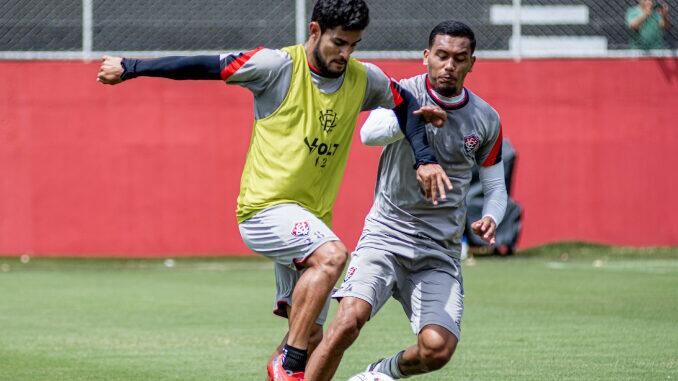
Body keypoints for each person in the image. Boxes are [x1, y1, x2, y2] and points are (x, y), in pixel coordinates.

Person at [96, 1, 451, 380]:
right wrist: (131, 68)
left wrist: (424, 158)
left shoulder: (364, 79)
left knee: (312, 333)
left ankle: (287, 360)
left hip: (308, 219)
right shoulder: (276, 66)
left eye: (354, 44)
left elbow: (405, 103)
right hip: (263, 209)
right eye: (338, 43)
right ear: (314, 31)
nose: (346, 53)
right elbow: (205, 66)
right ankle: (290, 363)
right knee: (332, 256)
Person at [304, 20, 508, 380]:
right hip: (385, 236)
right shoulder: (400, 93)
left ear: (472, 63)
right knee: (348, 320)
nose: (449, 65)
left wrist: (491, 216)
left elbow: (495, 187)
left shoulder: (486, 119)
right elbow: (368, 133)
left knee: (437, 349)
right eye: (442, 56)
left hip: (439, 251)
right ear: (426, 56)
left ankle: (380, 374)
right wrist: (410, 120)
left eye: (460, 59)